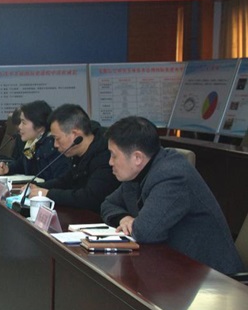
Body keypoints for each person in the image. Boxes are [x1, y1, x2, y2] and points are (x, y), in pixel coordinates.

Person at [100, 116, 243, 275]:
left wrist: (135, 224)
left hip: (213, 276)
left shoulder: (172, 175)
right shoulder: (138, 172)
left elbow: (145, 232)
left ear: (137, 158)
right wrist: (123, 218)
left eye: (114, 155)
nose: (110, 162)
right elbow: (107, 204)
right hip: (178, 267)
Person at [28, 104, 119, 212]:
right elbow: (66, 181)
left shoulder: (105, 154)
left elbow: (90, 198)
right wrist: (37, 186)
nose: (55, 145)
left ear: (75, 135)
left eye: (57, 139)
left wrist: (48, 194)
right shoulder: (78, 153)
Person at [0, 100, 69, 180]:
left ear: (39, 126)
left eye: (24, 123)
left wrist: (38, 186)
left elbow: (60, 181)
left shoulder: (52, 146)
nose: (20, 127)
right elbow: (21, 164)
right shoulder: (32, 143)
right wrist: (8, 169)